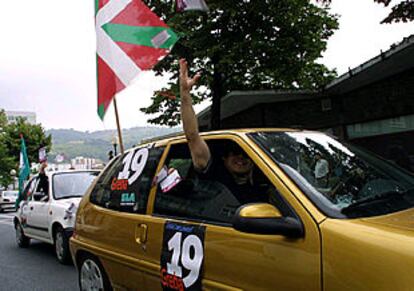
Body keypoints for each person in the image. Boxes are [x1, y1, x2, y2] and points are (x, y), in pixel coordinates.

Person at [179, 59, 267, 204]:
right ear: (224, 158)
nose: (241, 158)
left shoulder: (267, 186)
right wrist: (185, 93)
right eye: (234, 153)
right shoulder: (213, 175)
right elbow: (193, 136)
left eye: (246, 154)